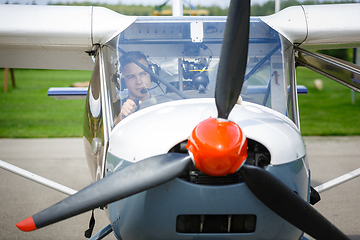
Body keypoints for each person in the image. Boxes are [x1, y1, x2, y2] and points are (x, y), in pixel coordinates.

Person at [115, 51, 151, 124]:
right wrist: (121, 118)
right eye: (131, 77)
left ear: (151, 75)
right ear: (123, 81)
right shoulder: (113, 108)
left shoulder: (165, 102)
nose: (139, 82)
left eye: (143, 74)